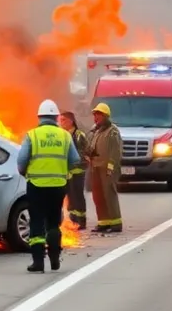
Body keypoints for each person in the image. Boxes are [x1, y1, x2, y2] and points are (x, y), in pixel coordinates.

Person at [17, 99, 81, 272]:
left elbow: (21, 161)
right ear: (56, 117)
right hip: (58, 185)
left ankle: (38, 262)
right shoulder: (65, 135)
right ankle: (54, 260)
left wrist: (25, 173)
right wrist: (62, 170)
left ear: (39, 117)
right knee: (53, 223)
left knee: (36, 222)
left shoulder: (32, 135)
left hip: (36, 185)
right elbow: (75, 160)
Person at [87, 102, 124, 234]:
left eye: (98, 115)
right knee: (98, 196)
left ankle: (115, 223)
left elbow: (115, 152)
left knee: (109, 195)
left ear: (106, 116)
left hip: (107, 169)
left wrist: (110, 169)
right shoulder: (96, 131)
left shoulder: (112, 131)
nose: (95, 117)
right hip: (95, 167)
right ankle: (103, 222)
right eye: (95, 115)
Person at [59, 111, 90, 229]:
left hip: (78, 171)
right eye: (60, 120)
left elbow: (87, 151)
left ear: (71, 121)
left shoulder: (79, 135)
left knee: (77, 195)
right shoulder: (64, 135)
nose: (61, 123)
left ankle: (81, 221)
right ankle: (73, 220)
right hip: (67, 171)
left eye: (64, 120)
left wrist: (79, 163)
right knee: (70, 196)